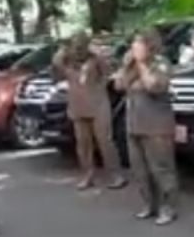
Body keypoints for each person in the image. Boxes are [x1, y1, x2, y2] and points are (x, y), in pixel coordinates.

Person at [115, 29, 179, 225]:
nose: (134, 47)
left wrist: (142, 64)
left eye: (138, 43)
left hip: (157, 125)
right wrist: (128, 66)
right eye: (133, 44)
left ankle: (168, 207)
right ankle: (149, 204)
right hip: (134, 124)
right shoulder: (131, 65)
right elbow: (119, 85)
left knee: (160, 168)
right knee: (139, 169)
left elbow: (155, 87)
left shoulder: (160, 63)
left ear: (149, 46)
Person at [52, 31, 126, 190]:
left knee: (105, 141)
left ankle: (115, 175)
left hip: (98, 105)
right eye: (75, 46)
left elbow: (108, 73)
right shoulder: (68, 62)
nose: (78, 50)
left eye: (81, 46)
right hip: (78, 106)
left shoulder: (95, 59)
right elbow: (56, 63)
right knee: (83, 144)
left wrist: (99, 85)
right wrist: (63, 48)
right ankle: (87, 175)